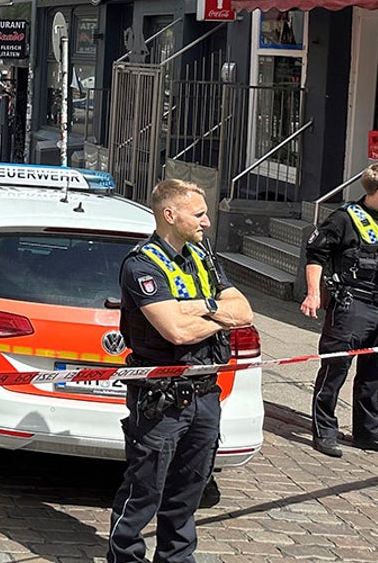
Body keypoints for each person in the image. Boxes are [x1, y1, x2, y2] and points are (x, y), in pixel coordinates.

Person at [106, 179, 253, 563]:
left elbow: (245, 311)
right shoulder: (141, 264)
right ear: (170, 215)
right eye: (199, 214)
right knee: (144, 490)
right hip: (161, 398)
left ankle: (176, 558)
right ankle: (125, 556)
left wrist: (196, 307)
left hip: (204, 393)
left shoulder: (202, 256)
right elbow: (176, 331)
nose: (206, 221)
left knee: (190, 490)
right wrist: (217, 314)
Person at [301, 161, 378, 458]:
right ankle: (325, 431)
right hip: (351, 306)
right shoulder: (342, 219)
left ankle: (368, 434)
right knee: (335, 370)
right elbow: (315, 254)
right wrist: (313, 294)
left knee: (375, 372)